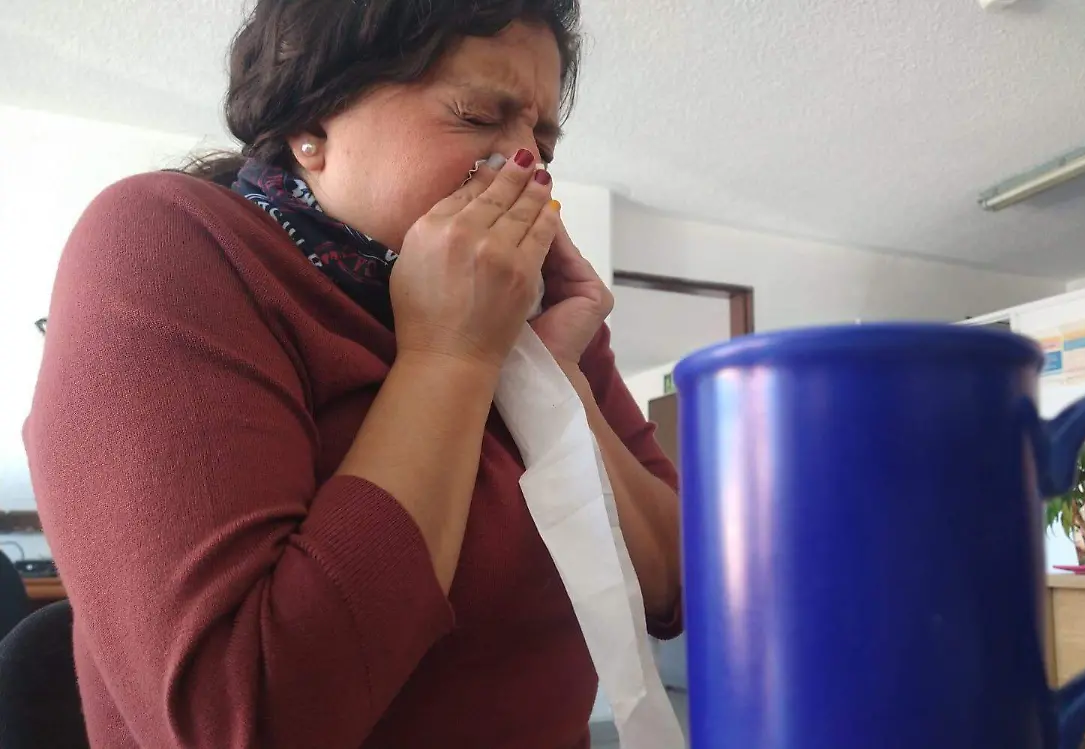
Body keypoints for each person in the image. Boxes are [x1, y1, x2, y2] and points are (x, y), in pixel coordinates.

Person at [23, 1, 682, 747]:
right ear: (313, 123)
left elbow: (682, 586)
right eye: (476, 116)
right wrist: (450, 355)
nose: (525, 169)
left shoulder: (536, 314)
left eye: (544, 141)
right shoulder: (169, 246)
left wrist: (557, 384)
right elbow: (243, 718)